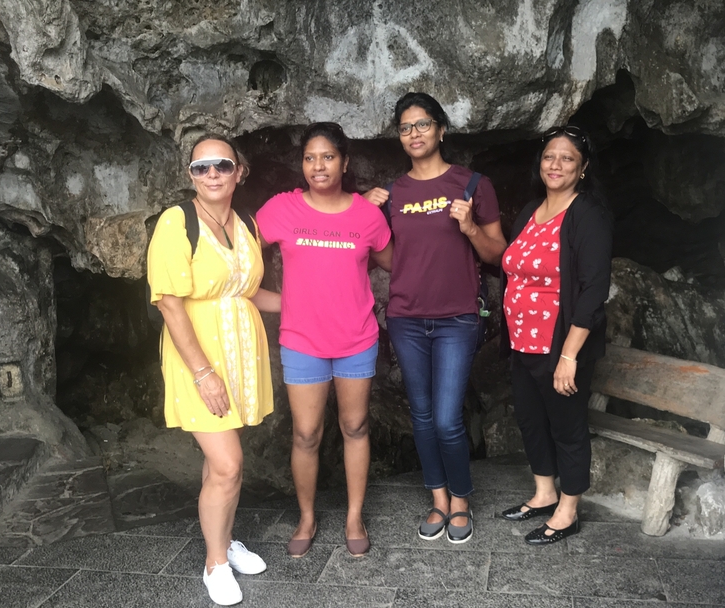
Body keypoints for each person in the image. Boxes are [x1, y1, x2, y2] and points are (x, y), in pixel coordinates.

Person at [365, 92, 505, 544]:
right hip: (406, 317)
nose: (414, 134)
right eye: (405, 128)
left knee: (446, 418)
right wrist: (365, 217)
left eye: (422, 124)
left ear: (441, 129)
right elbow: (389, 260)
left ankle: (461, 500)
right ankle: (438, 498)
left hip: (457, 318)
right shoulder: (394, 194)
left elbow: (497, 254)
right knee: (422, 417)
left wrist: (467, 228)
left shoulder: (472, 185)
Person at [147, 134, 280, 605]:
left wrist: (301, 307)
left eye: (221, 165)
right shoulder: (176, 222)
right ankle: (215, 564)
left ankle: (223, 540)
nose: (211, 175)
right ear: (190, 175)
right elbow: (168, 302)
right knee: (228, 466)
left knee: (218, 464)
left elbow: (245, 292)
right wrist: (204, 372)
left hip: (240, 357)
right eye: (200, 168)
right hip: (198, 361)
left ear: (238, 171)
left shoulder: (246, 222)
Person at [256, 122, 392, 558]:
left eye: (328, 157)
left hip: (356, 338)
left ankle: (354, 516)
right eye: (310, 157)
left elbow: (393, 262)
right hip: (301, 340)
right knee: (306, 434)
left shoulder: (366, 215)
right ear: (302, 164)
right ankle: (307, 517)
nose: (319, 165)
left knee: (355, 427)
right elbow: (239, 259)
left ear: (345, 163)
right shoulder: (281, 209)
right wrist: (276, 301)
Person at [499, 125, 612, 545]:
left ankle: (567, 510)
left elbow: (593, 290)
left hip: (561, 344)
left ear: (582, 169)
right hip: (522, 342)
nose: (556, 164)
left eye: (567, 158)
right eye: (550, 156)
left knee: (567, 426)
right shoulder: (531, 209)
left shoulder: (587, 215)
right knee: (531, 422)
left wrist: (570, 356)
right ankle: (544, 492)